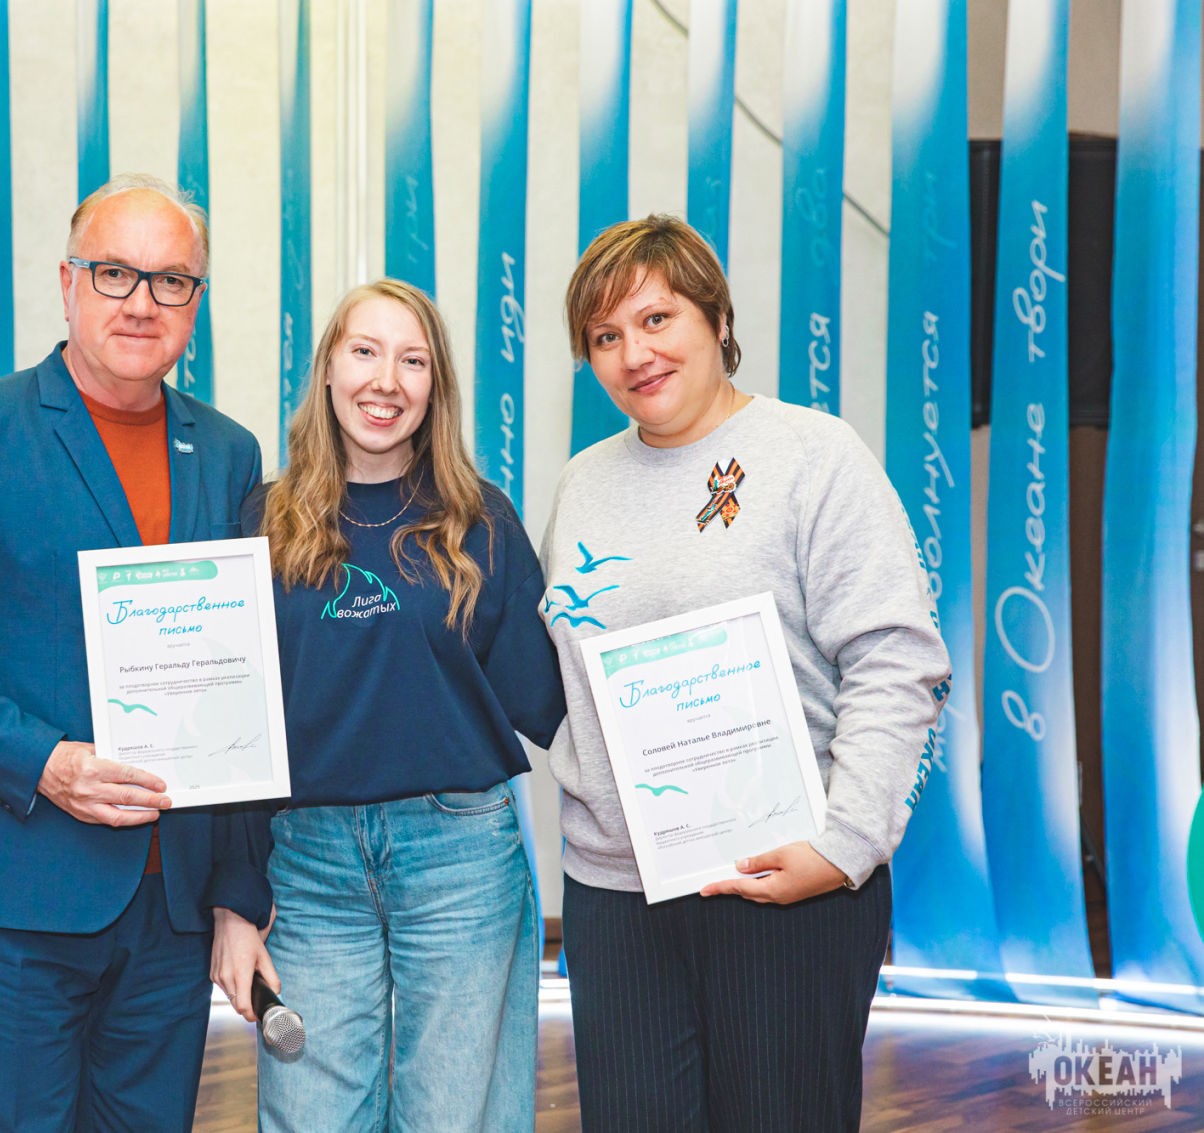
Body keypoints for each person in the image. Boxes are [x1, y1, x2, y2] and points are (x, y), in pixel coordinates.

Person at [0, 173, 269, 1132]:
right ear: (67, 280)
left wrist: (237, 891)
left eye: (171, 281)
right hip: (16, 892)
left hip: (173, 909)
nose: (142, 301)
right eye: (115, 272)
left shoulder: (230, 452)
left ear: (196, 303)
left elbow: (243, 675)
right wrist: (45, 761)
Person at [543, 215, 950, 1131]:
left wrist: (843, 845)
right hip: (618, 896)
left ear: (717, 319)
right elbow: (562, 671)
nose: (634, 354)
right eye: (605, 336)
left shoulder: (814, 455)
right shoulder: (583, 483)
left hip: (784, 884)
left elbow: (896, 660)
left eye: (657, 319)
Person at [210, 279, 565, 1131]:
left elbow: (550, 702)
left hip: (460, 862)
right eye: (365, 351)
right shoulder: (261, 521)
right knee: (311, 1115)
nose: (386, 380)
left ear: (435, 387)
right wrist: (233, 900)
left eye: (413, 360)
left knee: (454, 1117)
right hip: (308, 867)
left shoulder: (481, 521)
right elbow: (228, 728)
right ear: (329, 369)